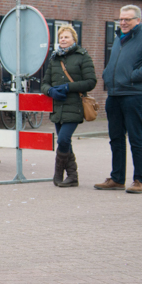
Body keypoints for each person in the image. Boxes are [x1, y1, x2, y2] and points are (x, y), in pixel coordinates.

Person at [40, 25, 96, 188]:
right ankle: (72, 176)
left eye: (66, 37)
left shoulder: (82, 56)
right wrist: (50, 91)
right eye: (61, 37)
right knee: (65, 143)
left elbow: (91, 82)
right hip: (57, 107)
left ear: (74, 39)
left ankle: (58, 173)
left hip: (75, 106)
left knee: (63, 139)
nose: (63, 40)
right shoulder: (55, 58)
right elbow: (45, 83)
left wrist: (67, 87)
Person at [96, 5, 142, 192]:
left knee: (136, 138)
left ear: (137, 20)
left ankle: (140, 179)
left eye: (127, 19)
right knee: (115, 138)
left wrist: (131, 76)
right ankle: (117, 178)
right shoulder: (118, 38)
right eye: (121, 19)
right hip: (114, 94)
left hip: (134, 94)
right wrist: (107, 75)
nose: (123, 22)